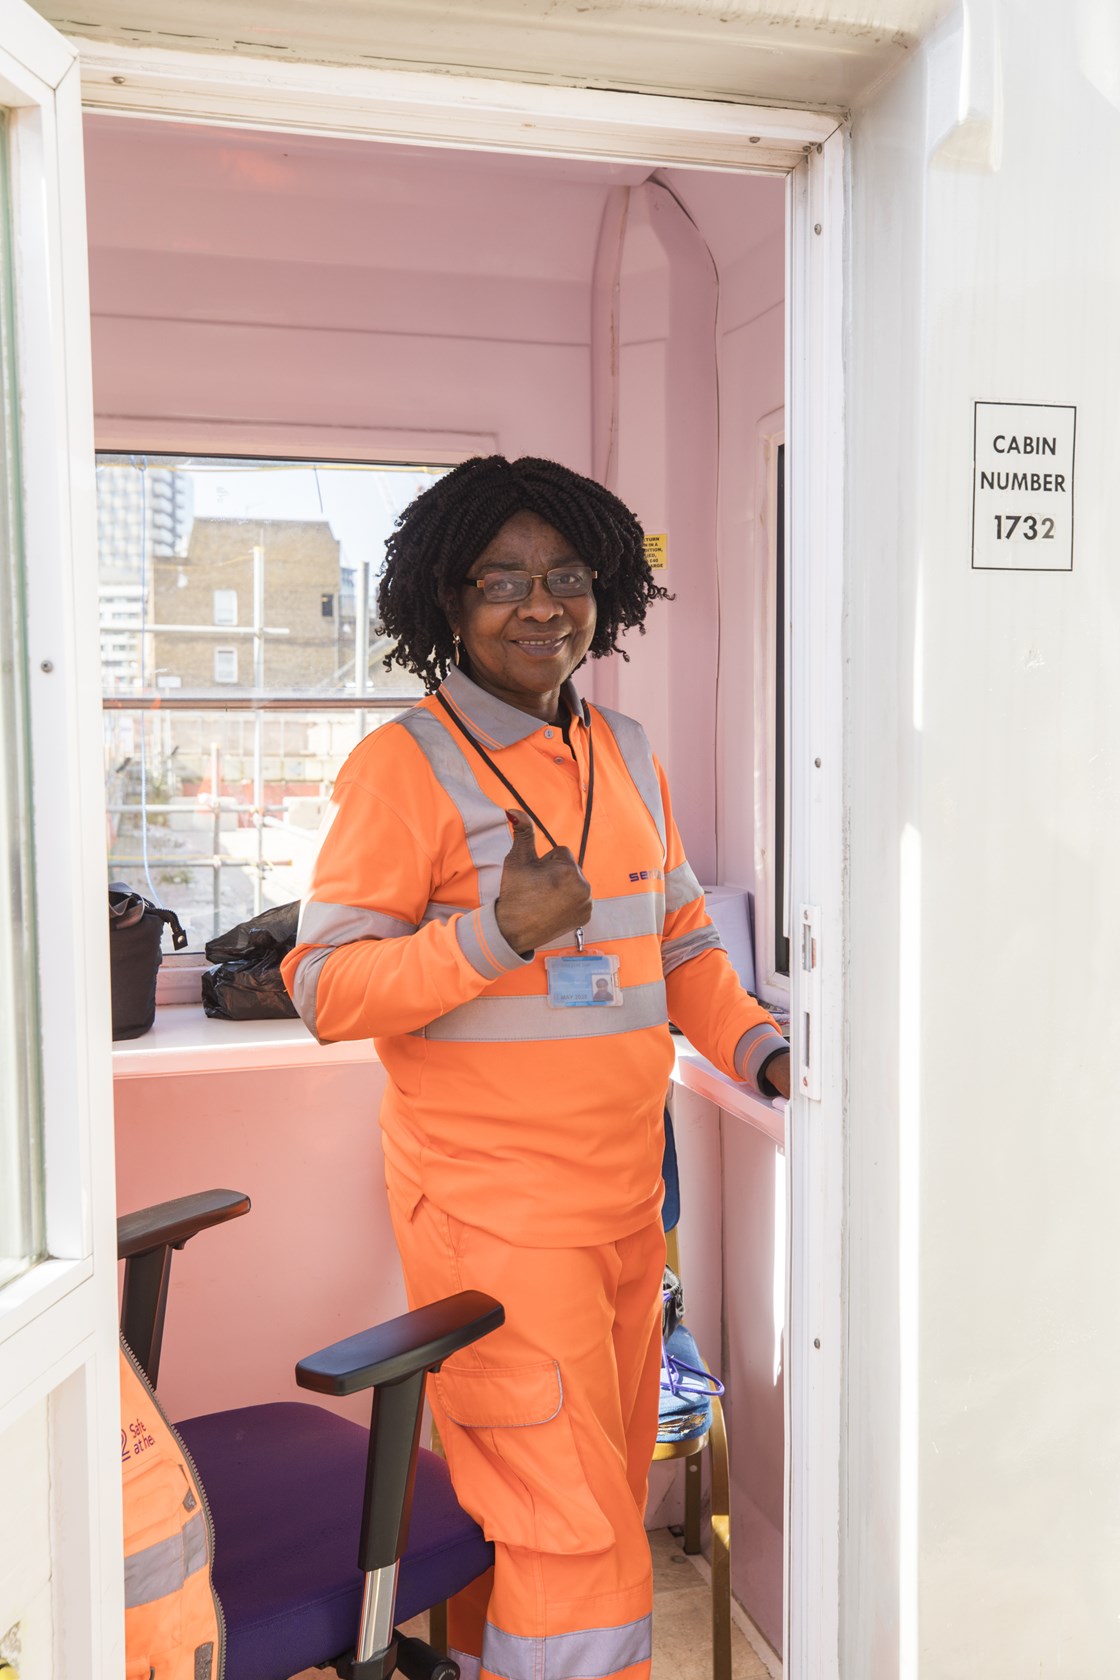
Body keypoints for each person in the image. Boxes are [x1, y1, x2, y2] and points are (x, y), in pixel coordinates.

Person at [282, 455, 790, 1680]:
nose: (541, 605)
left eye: (566, 576)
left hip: (624, 1209)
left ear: (603, 591)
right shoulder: (402, 767)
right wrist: (495, 936)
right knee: (572, 1537)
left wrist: (767, 1052)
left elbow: (678, 944)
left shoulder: (624, 749)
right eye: (502, 579)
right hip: (494, 1220)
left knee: (568, 1499)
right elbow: (323, 988)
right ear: (448, 604)